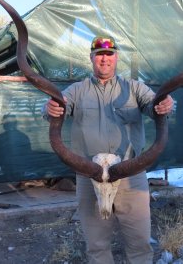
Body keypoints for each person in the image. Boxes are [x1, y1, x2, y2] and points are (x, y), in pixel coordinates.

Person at [43, 35, 173, 264]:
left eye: (109, 54)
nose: (105, 60)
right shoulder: (76, 90)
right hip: (89, 175)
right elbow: (59, 105)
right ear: (91, 58)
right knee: (96, 244)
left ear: (116, 58)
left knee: (139, 242)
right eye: (99, 55)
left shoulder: (134, 87)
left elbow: (154, 105)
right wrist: (51, 107)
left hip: (129, 174)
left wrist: (164, 104)